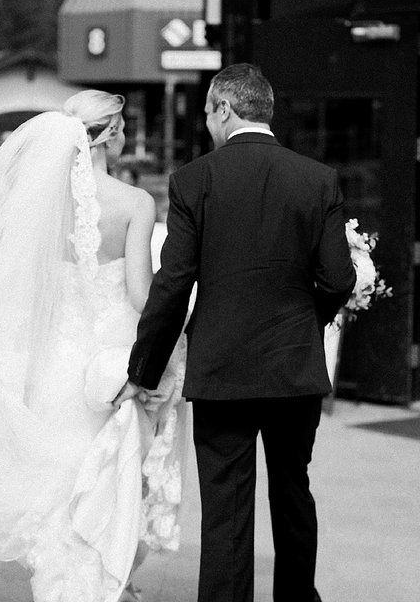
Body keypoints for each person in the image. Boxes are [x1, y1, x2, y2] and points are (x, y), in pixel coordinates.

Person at [0, 91, 188, 602]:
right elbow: (143, 297)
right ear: (111, 134)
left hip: (57, 360)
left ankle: (63, 585)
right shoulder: (134, 203)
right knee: (113, 482)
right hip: (117, 364)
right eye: (122, 129)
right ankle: (106, 579)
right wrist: (184, 305)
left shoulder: (42, 204)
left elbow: (25, 289)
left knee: (60, 481)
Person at [123, 63, 356, 602]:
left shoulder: (193, 181)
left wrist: (144, 370)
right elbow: (338, 278)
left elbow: (173, 284)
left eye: (207, 111)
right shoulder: (318, 178)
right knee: (294, 492)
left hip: (221, 370)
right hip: (294, 368)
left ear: (224, 108)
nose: (207, 123)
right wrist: (307, 320)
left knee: (226, 507)